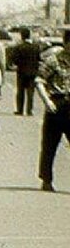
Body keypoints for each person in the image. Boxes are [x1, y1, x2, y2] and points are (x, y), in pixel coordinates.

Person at [35, 28, 70, 192]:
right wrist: (46, 100)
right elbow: (39, 80)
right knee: (49, 145)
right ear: (66, 43)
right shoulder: (54, 60)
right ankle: (46, 180)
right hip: (56, 105)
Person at [10, 27, 42, 116]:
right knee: (30, 92)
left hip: (21, 72)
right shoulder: (36, 47)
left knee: (20, 92)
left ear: (22, 36)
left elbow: (14, 60)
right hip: (33, 72)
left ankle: (20, 110)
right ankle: (29, 110)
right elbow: (39, 59)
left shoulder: (19, 47)